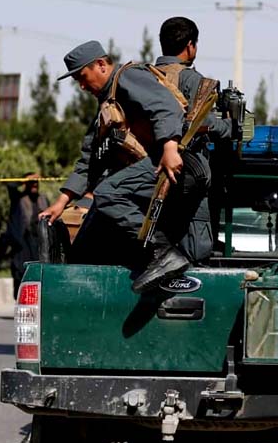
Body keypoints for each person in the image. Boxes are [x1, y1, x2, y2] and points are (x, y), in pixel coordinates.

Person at [39, 40, 204, 293]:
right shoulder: (109, 103)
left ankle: (161, 253)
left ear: (101, 65)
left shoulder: (128, 77)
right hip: (156, 168)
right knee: (95, 222)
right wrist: (62, 201)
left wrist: (170, 148)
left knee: (108, 192)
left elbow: (164, 105)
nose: (82, 86)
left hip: (178, 163)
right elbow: (90, 158)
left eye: (82, 77)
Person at [154, 16, 235, 261]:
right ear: (190, 46)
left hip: (148, 170)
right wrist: (229, 126)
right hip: (186, 171)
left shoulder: (146, 75)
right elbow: (203, 121)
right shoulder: (193, 80)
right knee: (197, 247)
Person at [5, 173, 50, 298]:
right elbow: (10, 185)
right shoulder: (18, 199)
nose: (34, 185)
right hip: (23, 246)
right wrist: (23, 180)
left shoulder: (43, 199)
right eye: (31, 183)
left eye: (36, 183)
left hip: (40, 246)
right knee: (21, 276)